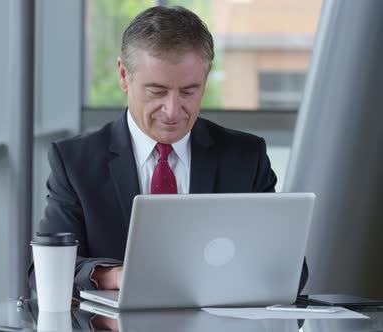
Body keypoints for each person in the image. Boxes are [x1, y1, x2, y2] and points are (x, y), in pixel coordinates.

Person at [28, 5, 307, 295]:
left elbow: (291, 271)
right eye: (157, 91)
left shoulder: (245, 156)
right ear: (124, 75)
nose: (173, 111)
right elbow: (44, 273)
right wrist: (114, 276)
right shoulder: (75, 161)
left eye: (188, 92)